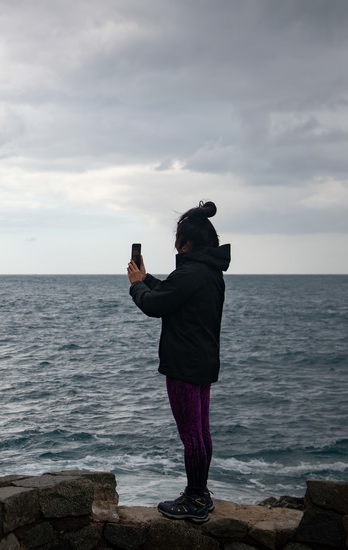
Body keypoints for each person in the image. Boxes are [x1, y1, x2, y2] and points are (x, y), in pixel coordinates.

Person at [126, 200, 231, 523]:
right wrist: (147, 279)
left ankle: (195, 499)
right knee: (201, 431)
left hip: (184, 364)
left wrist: (136, 287)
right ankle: (201, 492)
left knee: (191, 434)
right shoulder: (208, 273)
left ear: (185, 242)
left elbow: (155, 306)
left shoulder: (190, 273)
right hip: (203, 361)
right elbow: (173, 295)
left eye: (177, 238)